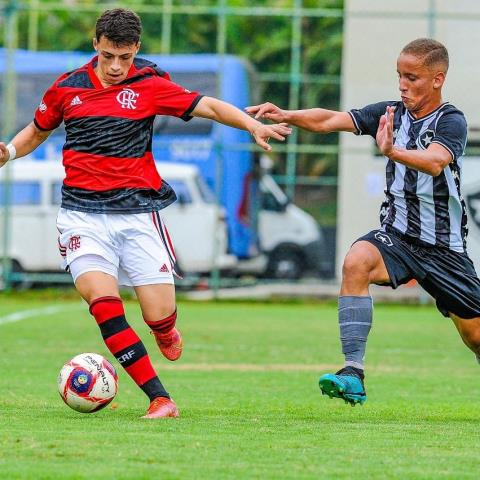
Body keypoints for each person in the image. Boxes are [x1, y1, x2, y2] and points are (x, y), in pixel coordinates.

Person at [0, 8, 291, 419]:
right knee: (103, 303)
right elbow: (38, 129)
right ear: (95, 45)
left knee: (157, 314)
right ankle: (160, 398)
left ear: (135, 48)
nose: (117, 67)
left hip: (137, 214)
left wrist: (251, 125)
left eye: (124, 57)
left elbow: (208, 107)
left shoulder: (149, 85)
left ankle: (164, 328)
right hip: (81, 214)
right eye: (108, 56)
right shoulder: (67, 88)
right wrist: (10, 151)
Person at [246, 38, 480, 406]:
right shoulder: (388, 112)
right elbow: (329, 120)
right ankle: (352, 372)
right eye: (399, 76)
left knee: (475, 337)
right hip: (397, 237)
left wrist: (392, 151)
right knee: (356, 261)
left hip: (444, 249)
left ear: (438, 79)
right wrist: (288, 114)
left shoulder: (451, 120)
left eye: (412, 77)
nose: (403, 85)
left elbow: (435, 161)